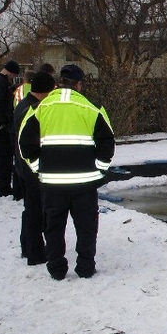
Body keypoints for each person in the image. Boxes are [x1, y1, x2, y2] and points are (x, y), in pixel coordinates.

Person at [19, 65, 115, 280]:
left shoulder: (40, 108)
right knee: (86, 228)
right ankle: (85, 267)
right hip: (85, 184)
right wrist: (99, 171)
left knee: (53, 227)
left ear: (58, 82)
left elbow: (25, 144)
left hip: (52, 184)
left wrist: (38, 170)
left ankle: (56, 269)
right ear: (79, 84)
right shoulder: (92, 108)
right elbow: (107, 143)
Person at [13, 72, 56, 265]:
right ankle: (36, 253)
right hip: (30, 168)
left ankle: (27, 246)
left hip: (22, 166)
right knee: (36, 211)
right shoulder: (33, 109)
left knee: (30, 210)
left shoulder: (23, 105)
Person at [0, 60, 20, 197]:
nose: (13, 78)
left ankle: (3, 186)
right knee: (4, 158)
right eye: (13, 75)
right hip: (0, 127)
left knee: (2, 157)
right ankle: (4, 188)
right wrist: (4, 122)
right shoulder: (0, 83)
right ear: (10, 72)